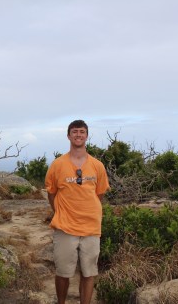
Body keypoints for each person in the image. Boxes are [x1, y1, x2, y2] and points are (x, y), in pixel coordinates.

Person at [45, 120, 110, 304]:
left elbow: (100, 194)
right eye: (75, 132)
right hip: (65, 227)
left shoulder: (97, 165)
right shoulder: (57, 165)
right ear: (68, 136)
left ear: (87, 136)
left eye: (82, 132)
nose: (78, 135)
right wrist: (61, 212)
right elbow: (51, 193)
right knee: (63, 273)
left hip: (91, 227)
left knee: (89, 272)